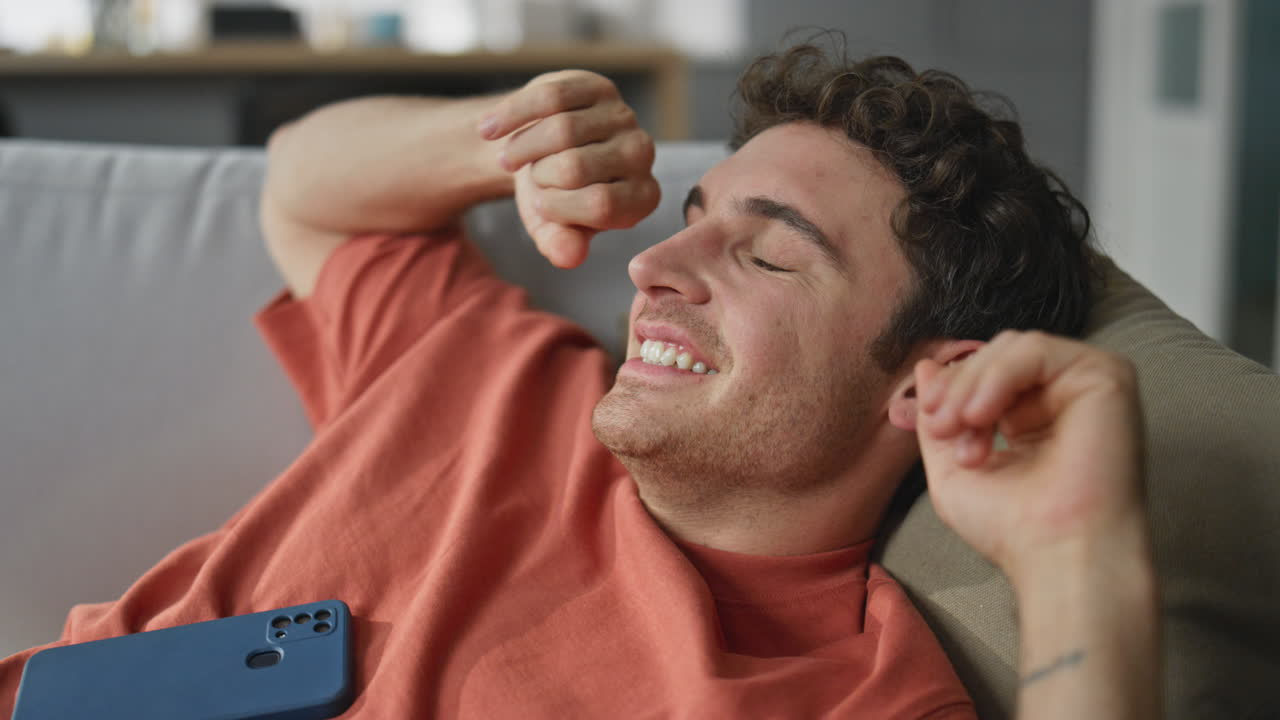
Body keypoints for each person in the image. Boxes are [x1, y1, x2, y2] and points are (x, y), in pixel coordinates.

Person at [0, 41, 1158, 719]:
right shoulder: (494, 373)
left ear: (922, 383)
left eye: (763, 253)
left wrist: (1075, 559)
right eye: (695, 220)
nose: (651, 266)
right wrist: (509, 140)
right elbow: (299, 187)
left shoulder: (852, 690)